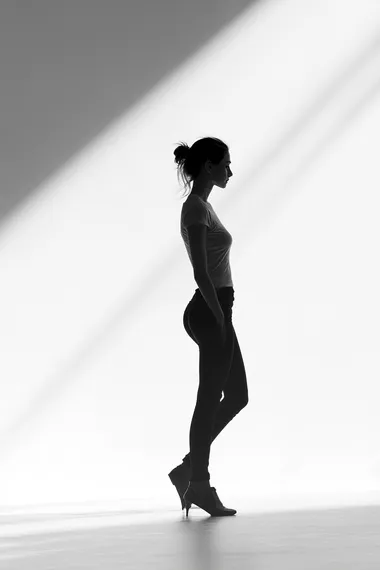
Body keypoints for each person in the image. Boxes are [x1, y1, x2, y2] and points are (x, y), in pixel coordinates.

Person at [168, 137, 249, 516]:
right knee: (209, 400)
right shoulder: (195, 210)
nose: (230, 171)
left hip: (216, 308)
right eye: (226, 164)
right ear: (207, 166)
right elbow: (200, 271)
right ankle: (198, 482)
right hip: (210, 308)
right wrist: (218, 316)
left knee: (236, 395)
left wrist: (221, 312)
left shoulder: (203, 207)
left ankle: (189, 469)